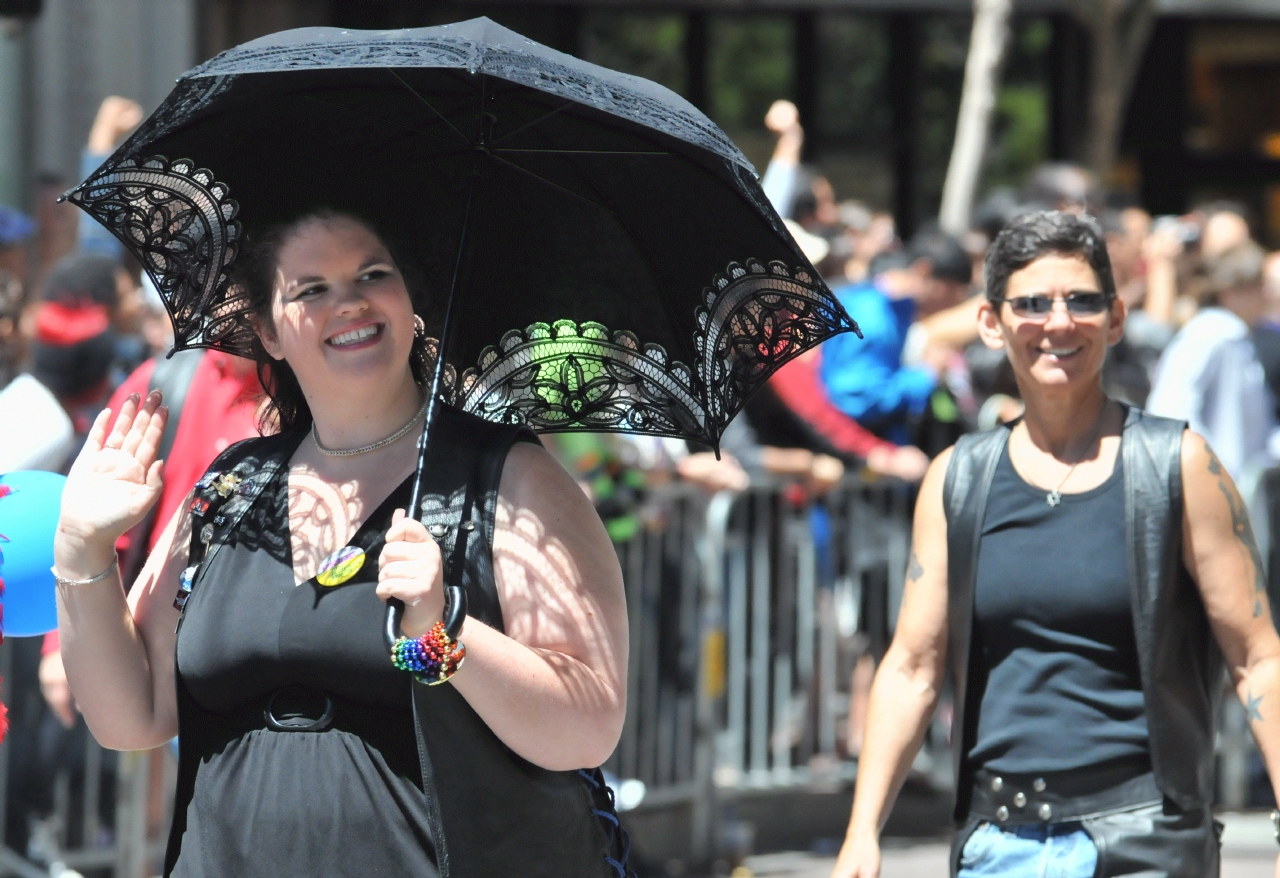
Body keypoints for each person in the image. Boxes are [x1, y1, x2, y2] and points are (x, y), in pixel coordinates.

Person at [51, 210, 631, 877]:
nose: (349, 301)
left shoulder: (510, 480)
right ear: (267, 329)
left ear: (412, 299)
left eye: (372, 274)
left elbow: (587, 727)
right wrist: (82, 551)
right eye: (311, 289)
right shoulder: (231, 486)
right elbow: (133, 716)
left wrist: (443, 634)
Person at [831, 211, 1280, 878]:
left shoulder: (1176, 465)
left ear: (1117, 318)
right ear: (992, 322)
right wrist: (861, 833)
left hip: (1145, 838)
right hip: (997, 843)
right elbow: (912, 667)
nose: (1059, 322)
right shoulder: (958, 478)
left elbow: (1256, 657)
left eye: (1082, 300)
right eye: (1033, 303)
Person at [820, 230, 973, 448]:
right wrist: (926, 374)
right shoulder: (874, 318)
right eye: (953, 291)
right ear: (924, 270)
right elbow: (853, 400)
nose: (955, 302)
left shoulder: (898, 310)